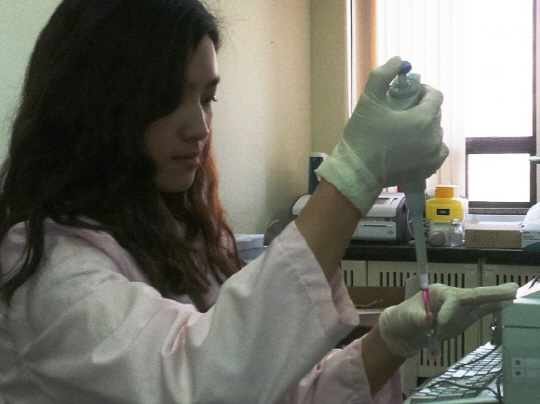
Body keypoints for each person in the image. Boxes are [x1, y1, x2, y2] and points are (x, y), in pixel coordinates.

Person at [0, 0, 518, 403]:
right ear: (92, 105)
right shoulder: (47, 267)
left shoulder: (177, 238)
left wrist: (389, 343)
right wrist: (354, 175)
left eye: (207, 98)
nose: (199, 126)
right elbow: (198, 386)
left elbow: (278, 392)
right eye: (167, 98)